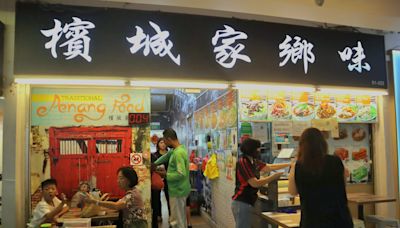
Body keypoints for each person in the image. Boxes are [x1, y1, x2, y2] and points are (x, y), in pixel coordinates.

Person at [288, 128, 353, 228]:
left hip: (312, 221)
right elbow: (343, 185)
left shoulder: (298, 165)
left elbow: (292, 191)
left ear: (302, 145)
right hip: (339, 220)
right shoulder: (336, 161)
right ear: (323, 143)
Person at [231, 138, 289, 228]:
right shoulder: (243, 162)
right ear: (251, 149)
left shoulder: (253, 161)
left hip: (250, 201)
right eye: (257, 149)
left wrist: (288, 164)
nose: (259, 151)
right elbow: (254, 183)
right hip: (242, 202)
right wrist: (273, 177)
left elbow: (268, 167)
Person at [154, 128, 190, 228]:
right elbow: (166, 156)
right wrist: (154, 164)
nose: (164, 144)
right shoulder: (177, 149)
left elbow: (181, 174)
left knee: (176, 221)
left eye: (165, 141)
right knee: (180, 218)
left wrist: (165, 175)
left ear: (169, 139)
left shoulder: (178, 153)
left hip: (178, 191)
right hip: (180, 189)